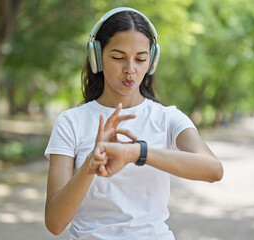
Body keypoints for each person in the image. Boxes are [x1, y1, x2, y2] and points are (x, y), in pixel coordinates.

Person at [44, 7, 223, 239]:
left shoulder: (168, 118)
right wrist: (91, 163)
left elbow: (213, 170)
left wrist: (136, 153)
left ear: (152, 60)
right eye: (118, 57)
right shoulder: (70, 122)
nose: (130, 69)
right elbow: (55, 223)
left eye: (140, 59)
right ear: (96, 57)